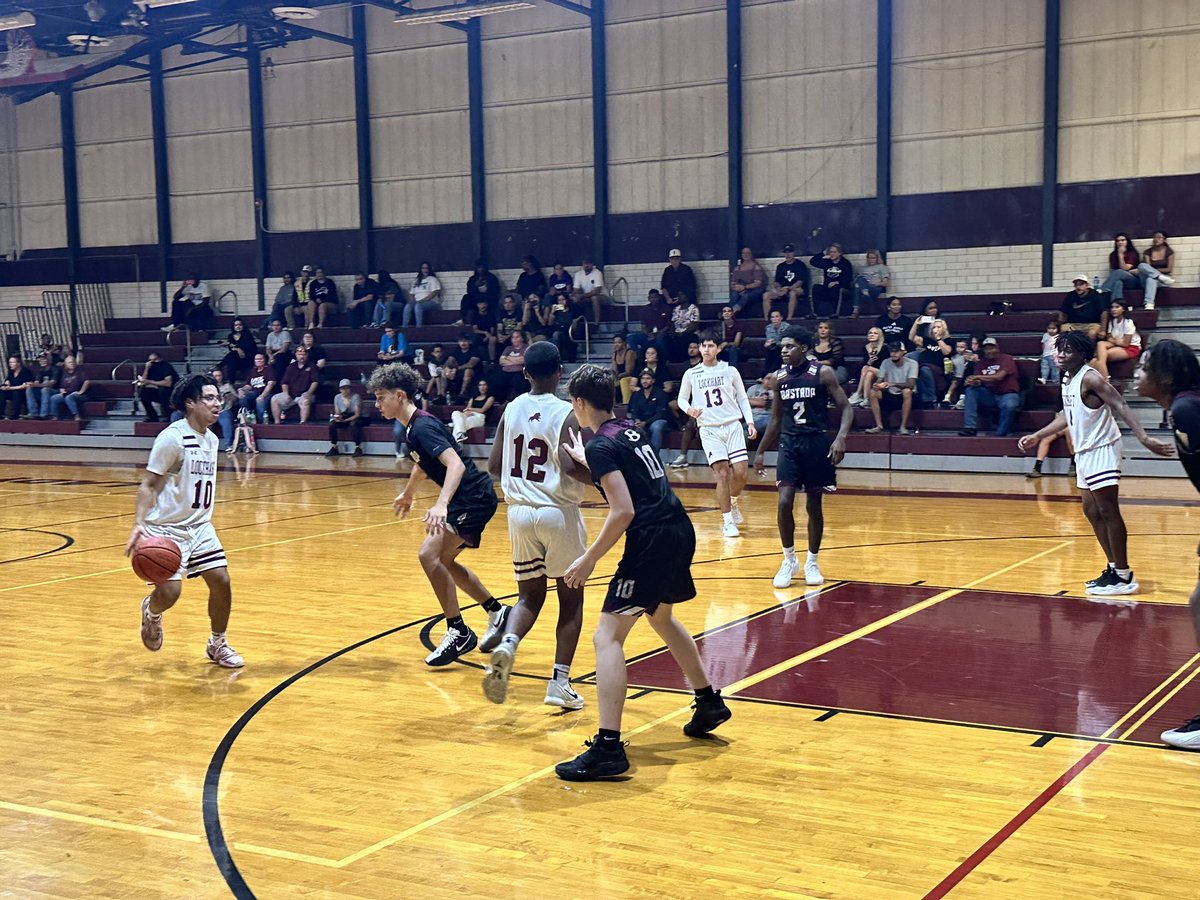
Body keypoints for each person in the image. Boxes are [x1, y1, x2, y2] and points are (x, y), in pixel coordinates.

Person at [554, 365, 731, 781]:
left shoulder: (601, 445)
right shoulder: (629, 430)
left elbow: (623, 510)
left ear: (579, 403)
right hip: (677, 528)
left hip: (651, 540)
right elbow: (632, 484)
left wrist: (589, 558)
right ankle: (708, 701)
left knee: (607, 636)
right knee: (661, 616)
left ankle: (609, 748)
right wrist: (590, 462)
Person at [370, 363, 510, 666]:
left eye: (381, 398)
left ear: (399, 395)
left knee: (428, 556)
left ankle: (458, 631)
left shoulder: (422, 427)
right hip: (468, 498)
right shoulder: (412, 428)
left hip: (472, 499)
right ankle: (497, 612)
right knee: (443, 560)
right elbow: (423, 464)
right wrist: (409, 493)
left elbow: (455, 464)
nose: (377, 404)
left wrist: (441, 504)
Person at [1017, 331, 1173, 595]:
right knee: (1091, 510)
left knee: (1108, 510)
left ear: (1081, 354)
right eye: (1059, 349)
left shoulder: (1091, 377)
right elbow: (1066, 415)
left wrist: (1144, 437)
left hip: (1102, 448)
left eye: (1067, 350)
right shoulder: (1067, 379)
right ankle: (1113, 568)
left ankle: (1123, 575)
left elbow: (1120, 404)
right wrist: (1038, 435)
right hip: (1084, 451)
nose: (1060, 355)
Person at [483, 341, 589, 709]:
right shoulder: (566, 412)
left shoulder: (511, 408)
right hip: (557, 511)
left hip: (518, 514)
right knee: (571, 600)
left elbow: (494, 465)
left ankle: (509, 643)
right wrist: (604, 477)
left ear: (525, 373)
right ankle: (559, 682)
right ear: (560, 372)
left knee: (529, 596)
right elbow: (571, 466)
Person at [125, 373, 244, 668]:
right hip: (167, 529)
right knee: (171, 593)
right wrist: (139, 523)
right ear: (190, 403)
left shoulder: (212, 438)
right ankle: (152, 612)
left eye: (218, 398)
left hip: (200, 526)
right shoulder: (172, 438)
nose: (217, 403)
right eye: (209, 398)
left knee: (222, 581)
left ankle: (217, 643)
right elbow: (148, 484)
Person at [1133, 339, 1200, 748]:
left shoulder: (1186, 410)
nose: (1137, 374)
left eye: (1144, 368)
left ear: (1166, 376)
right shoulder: (1185, 406)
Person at [754, 328, 853, 588]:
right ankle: (789, 560)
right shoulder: (779, 377)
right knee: (784, 501)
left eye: (790, 346)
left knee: (813, 504)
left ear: (804, 349)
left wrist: (841, 438)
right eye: (782, 347)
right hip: (789, 443)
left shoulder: (823, 373)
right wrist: (761, 450)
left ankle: (812, 561)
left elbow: (846, 407)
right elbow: (776, 418)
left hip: (815, 442)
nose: (784, 350)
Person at [676, 332, 758, 537]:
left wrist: (750, 422)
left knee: (741, 473)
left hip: (732, 425)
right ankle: (727, 521)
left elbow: (743, 398)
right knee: (722, 474)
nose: (706, 349)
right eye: (703, 346)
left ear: (719, 348)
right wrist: (690, 410)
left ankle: (733, 500)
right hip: (709, 428)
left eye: (711, 346)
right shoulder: (691, 374)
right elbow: (681, 400)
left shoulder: (730, 370)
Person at [957, 337, 1020, 437]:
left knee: (1010, 405)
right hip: (990, 394)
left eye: (991, 348)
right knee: (971, 391)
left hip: (1007, 394)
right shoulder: (981, 363)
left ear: (997, 348)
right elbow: (978, 382)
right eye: (986, 349)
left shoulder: (1006, 359)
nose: (989, 351)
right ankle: (970, 427)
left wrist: (977, 377)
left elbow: (999, 376)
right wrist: (973, 382)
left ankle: (1001, 434)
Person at [865, 342, 916, 434]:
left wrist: (893, 384)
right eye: (891, 351)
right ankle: (879, 426)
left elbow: (911, 384)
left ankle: (903, 426)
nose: (893, 354)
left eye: (896, 351)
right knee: (873, 392)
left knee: (907, 391)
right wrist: (877, 385)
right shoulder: (885, 362)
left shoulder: (912, 363)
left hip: (904, 396)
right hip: (889, 394)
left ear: (903, 352)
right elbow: (879, 380)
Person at [1093, 299, 1141, 380]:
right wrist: (1116, 341)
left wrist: (1113, 340)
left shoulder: (1128, 322)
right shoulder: (1113, 321)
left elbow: (1126, 343)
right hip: (1117, 344)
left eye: (1117, 307)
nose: (1113, 309)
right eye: (1112, 307)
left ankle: (1105, 378)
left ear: (1123, 309)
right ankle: (1105, 377)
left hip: (1131, 347)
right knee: (1100, 344)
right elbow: (1109, 337)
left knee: (1098, 358)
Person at [271, 345, 318, 425]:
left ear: (307, 355)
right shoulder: (291, 367)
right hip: (291, 394)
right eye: (299, 354)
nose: (301, 356)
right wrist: (286, 394)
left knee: (305, 401)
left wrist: (309, 393)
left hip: (305, 394)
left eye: (304, 354)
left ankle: (302, 423)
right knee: (274, 399)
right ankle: (277, 423)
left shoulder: (312, 366)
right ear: (296, 355)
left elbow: (315, 381)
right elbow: (284, 382)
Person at [628, 369, 672, 453]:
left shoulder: (660, 393)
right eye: (643, 378)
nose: (645, 381)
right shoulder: (636, 394)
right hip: (641, 421)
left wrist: (645, 422)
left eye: (648, 378)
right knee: (631, 425)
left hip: (657, 420)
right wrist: (637, 420)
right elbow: (633, 411)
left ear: (653, 380)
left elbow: (661, 414)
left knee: (656, 426)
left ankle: (654, 455)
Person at [762, 243, 808, 322]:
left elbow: (800, 282)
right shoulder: (780, 266)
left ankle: (789, 319)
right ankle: (767, 320)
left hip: (795, 288)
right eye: (786, 252)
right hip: (782, 289)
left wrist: (788, 289)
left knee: (792, 293)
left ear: (793, 253)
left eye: (790, 252)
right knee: (766, 295)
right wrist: (779, 289)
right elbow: (776, 282)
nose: (788, 254)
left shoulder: (800, 265)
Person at [1058, 275, 1109, 342]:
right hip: (1074, 324)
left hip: (1091, 324)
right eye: (1076, 285)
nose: (1078, 287)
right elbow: (1063, 311)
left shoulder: (1095, 295)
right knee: (1064, 329)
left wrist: (1103, 330)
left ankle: (1089, 349)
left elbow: (1104, 312)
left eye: (1081, 284)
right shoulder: (1070, 295)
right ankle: (1070, 348)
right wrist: (1060, 323)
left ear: (1087, 285)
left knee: (1092, 333)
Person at [809, 244, 853, 318]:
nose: (832, 254)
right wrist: (823, 253)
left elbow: (848, 278)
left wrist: (837, 282)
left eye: (834, 252)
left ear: (839, 253)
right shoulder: (827, 262)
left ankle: (835, 313)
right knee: (816, 287)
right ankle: (814, 313)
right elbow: (813, 261)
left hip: (841, 287)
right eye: (830, 252)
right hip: (827, 287)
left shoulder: (845, 263)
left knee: (837, 288)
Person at [848, 327, 888, 407]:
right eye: (870, 333)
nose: (872, 335)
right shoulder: (866, 347)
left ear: (880, 336)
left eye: (875, 333)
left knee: (866, 368)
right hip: (871, 373)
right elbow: (864, 363)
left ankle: (858, 393)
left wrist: (869, 365)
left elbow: (886, 366)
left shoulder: (885, 348)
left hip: (884, 373)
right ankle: (866, 399)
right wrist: (869, 362)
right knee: (869, 373)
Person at [326, 378, 366, 457]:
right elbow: (337, 412)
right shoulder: (337, 397)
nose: (345, 390)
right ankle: (334, 447)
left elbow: (357, 414)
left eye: (347, 388)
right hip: (345, 416)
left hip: (360, 417)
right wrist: (338, 418)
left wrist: (345, 420)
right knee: (332, 425)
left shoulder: (356, 397)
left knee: (354, 424)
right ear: (340, 389)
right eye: (343, 388)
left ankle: (358, 447)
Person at [135, 351, 178, 423]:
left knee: (163, 390)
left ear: (160, 359)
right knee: (144, 392)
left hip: (171, 393)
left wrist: (150, 382)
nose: (152, 362)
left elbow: (168, 383)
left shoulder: (166, 366)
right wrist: (146, 368)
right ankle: (152, 416)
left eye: (155, 360)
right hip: (158, 391)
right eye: (150, 360)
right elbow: (143, 382)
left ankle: (167, 415)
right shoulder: (150, 367)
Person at [1137, 230, 1175, 310]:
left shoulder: (1169, 251)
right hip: (1148, 280)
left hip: (1162, 282)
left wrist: (1154, 272)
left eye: (1159, 237)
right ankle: (1159, 276)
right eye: (1154, 237)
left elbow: (1169, 269)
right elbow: (1147, 267)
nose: (1156, 239)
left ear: (1164, 239)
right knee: (1141, 265)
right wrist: (1157, 274)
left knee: (1151, 278)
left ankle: (1149, 304)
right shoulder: (1147, 252)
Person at [1099, 233, 1140, 302]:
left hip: (1133, 281)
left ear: (1127, 241)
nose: (1120, 242)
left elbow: (1125, 268)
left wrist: (1120, 255)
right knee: (1118, 282)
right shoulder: (1113, 255)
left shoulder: (1132, 253)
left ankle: (1104, 289)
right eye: (1118, 241)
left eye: (1122, 240)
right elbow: (1112, 271)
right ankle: (1117, 303)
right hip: (1121, 279)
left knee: (1119, 272)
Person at [451, 378, 494, 443]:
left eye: (484, 385)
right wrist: (467, 412)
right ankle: (461, 435)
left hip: (480, 417)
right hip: (470, 415)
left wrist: (471, 409)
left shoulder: (490, 398)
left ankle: (458, 435)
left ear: (487, 386)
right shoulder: (473, 398)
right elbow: (467, 410)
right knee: (455, 413)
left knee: (458, 424)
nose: (482, 387)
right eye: (480, 385)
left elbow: (482, 410)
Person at [49, 355, 91, 422]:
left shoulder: (80, 371)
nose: (72, 363)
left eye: (73, 362)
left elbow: (87, 382)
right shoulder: (64, 372)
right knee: (54, 398)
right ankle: (55, 416)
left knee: (69, 398)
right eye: (70, 362)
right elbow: (61, 384)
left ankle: (77, 416)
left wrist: (81, 392)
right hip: (67, 393)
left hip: (81, 395)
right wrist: (61, 389)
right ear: (66, 364)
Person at [238, 352, 276, 424]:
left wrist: (262, 396)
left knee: (260, 401)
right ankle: (247, 418)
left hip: (267, 393)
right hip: (254, 392)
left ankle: (262, 423)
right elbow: (249, 385)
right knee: (243, 397)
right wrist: (241, 389)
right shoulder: (253, 371)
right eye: (256, 359)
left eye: (260, 359)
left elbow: (271, 384)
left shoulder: (269, 369)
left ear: (264, 360)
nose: (258, 360)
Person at [851, 249, 890, 317]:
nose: (871, 260)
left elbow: (886, 283)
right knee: (859, 280)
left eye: (873, 258)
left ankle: (855, 310)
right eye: (869, 258)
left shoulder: (882, 267)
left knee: (858, 286)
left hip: (874, 287)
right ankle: (864, 293)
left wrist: (876, 283)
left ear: (877, 258)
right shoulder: (862, 268)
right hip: (864, 287)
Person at [729, 246, 767, 314]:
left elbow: (758, 283)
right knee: (734, 294)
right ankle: (729, 312)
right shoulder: (737, 268)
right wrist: (736, 287)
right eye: (744, 253)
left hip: (754, 291)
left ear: (751, 254)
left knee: (745, 296)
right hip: (740, 290)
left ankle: (733, 311)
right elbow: (732, 283)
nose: (745, 255)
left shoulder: (756, 267)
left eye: (747, 253)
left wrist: (745, 287)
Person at [404, 261, 442, 327]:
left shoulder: (432, 279)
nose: (425, 270)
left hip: (431, 302)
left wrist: (423, 300)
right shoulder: (416, 280)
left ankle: (419, 327)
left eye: (426, 268)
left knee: (418, 306)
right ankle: (404, 326)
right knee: (408, 306)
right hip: (418, 302)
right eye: (423, 268)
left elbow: (435, 292)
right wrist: (412, 301)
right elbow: (411, 294)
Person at [218, 318, 257, 383]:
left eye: (240, 325)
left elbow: (246, 348)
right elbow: (232, 349)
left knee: (232, 356)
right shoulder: (231, 336)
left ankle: (219, 366)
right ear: (233, 327)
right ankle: (231, 382)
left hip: (247, 359)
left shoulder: (247, 335)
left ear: (243, 326)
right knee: (232, 357)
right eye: (236, 325)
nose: (238, 326)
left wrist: (232, 345)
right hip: (236, 359)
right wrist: (237, 349)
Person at [572, 258, 608, 324]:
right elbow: (576, 289)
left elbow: (597, 291)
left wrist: (581, 296)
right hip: (586, 297)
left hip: (602, 296)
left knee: (594, 298)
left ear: (592, 264)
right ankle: (575, 322)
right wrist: (576, 296)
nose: (586, 265)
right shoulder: (578, 274)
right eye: (585, 264)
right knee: (574, 298)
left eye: (588, 264)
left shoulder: (597, 273)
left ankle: (597, 322)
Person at [1039, 320, 1061, 385]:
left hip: (1054, 355)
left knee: (1055, 369)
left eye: (1053, 328)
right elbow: (1043, 344)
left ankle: (1055, 381)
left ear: (1057, 329)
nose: (1051, 330)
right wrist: (1043, 352)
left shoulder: (1058, 337)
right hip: (1045, 355)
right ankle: (1044, 378)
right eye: (1049, 328)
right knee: (1044, 367)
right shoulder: (1045, 335)